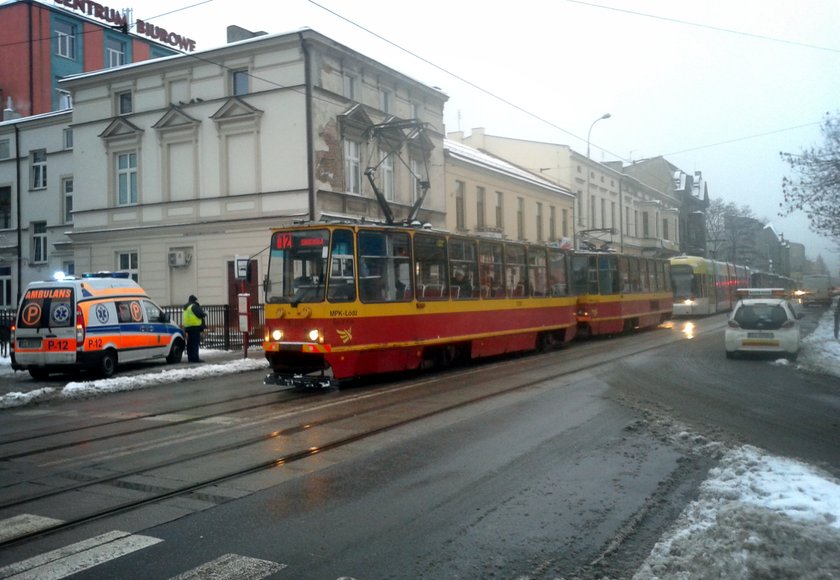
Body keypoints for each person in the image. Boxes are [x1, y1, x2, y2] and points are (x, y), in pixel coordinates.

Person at [183, 294, 206, 363]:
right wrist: (205, 313)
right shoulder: (194, 306)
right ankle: (195, 358)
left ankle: (190, 358)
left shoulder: (186, 307)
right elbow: (200, 314)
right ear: (194, 300)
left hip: (188, 327)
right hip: (195, 327)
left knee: (190, 343)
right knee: (195, 343)